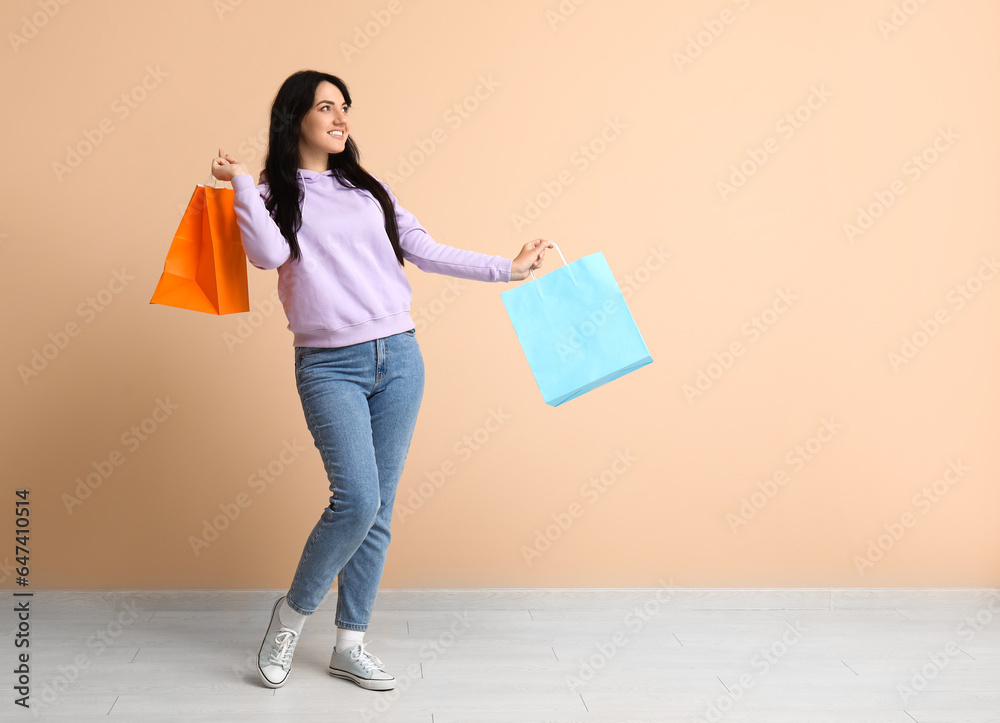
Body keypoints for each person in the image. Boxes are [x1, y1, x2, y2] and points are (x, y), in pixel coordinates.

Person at [210, 69, 553, 692]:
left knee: (380, 509)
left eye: (345, 108)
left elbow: (424, 248)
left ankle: (350, 643)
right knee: (357, 500)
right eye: (326, 108)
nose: (341, 119)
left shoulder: (367, 188)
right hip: (329, 365)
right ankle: (289, 617)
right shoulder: (271, 194)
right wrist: (239, 181)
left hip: (399, 357)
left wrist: (507, 268)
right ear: (296, 120)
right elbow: (267, 256)